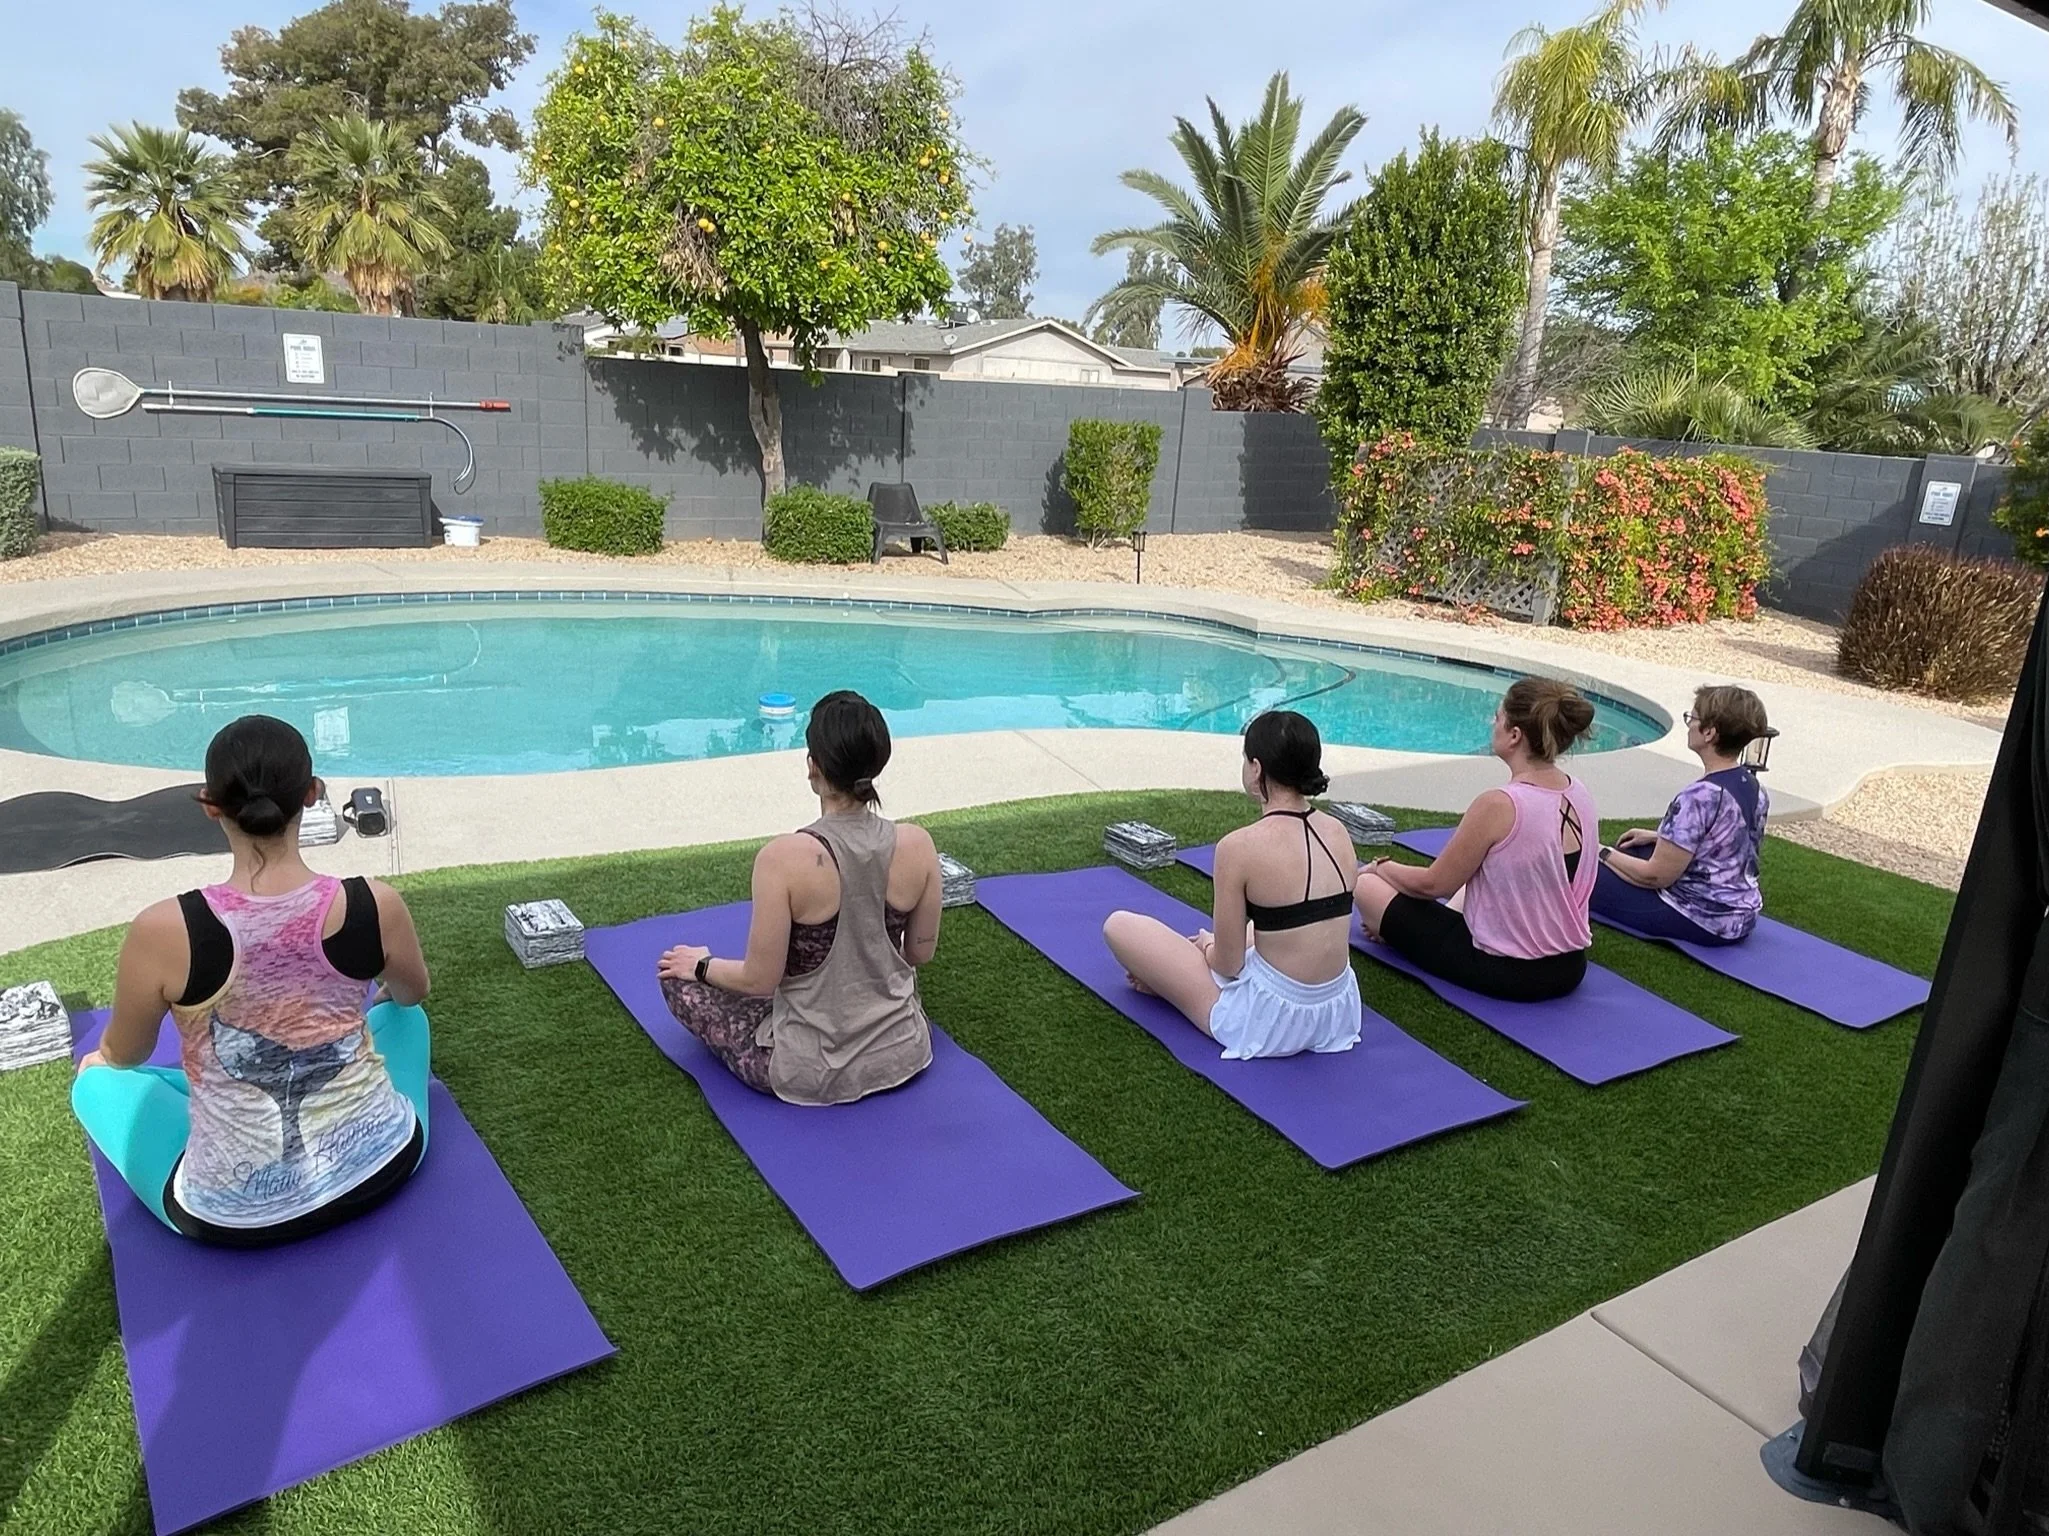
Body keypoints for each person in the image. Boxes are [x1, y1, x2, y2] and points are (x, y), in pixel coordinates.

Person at [71, 715, 432, 1247]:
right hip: (386, 1166)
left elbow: (125, 1053)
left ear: (209, 804)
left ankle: (170, 1089)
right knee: (406, 1016)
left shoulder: (163, 929)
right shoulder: (374, 902)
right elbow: (412, 992)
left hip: (232, 1218)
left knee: (96, 1081)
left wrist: (101, 1063)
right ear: (312, 794)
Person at [658, 690, 942, 1105]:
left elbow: (759, 980)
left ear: (814, 767)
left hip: (810, 1072)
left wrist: (700, 965)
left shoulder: (783, 859)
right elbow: (919, 954)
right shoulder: (918, 844)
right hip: (903, 1052)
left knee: (676, 981)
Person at [1102, 710, 1362, 1059]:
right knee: (1267, 925)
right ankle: (1171, 979)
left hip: (1267, 1021)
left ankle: (1167, 985)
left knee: (1119, 926)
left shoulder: (1238, 848)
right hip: (1336, 1013)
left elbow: (1228, 965)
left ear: (1256, 769)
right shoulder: (1339, 833)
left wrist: (1207, 946)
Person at [1354, 678, 1600, 1002]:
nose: (1492, 723)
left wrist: (1380, 868)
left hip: (1511, 973)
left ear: (1515, 735)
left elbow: (1433, 885)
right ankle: (1393, 923)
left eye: (1497, 717)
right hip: (1569, 966)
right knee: (1472, 880)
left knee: (1365, 887)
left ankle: (1386, 918)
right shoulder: (1577, 790)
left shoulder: (1500, 804)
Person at [1593, 685, 1772, 945]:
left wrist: (1600, 851)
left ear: (1709, 732)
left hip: (1701, 918)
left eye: (1693, 718)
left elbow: (1655, 877)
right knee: (1632, 850)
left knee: (1579, 870)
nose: (1689, 725)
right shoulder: (1753, 785)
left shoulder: (1698, 797)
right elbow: (1731, 841)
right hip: (1739, 913)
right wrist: (1660, 837)